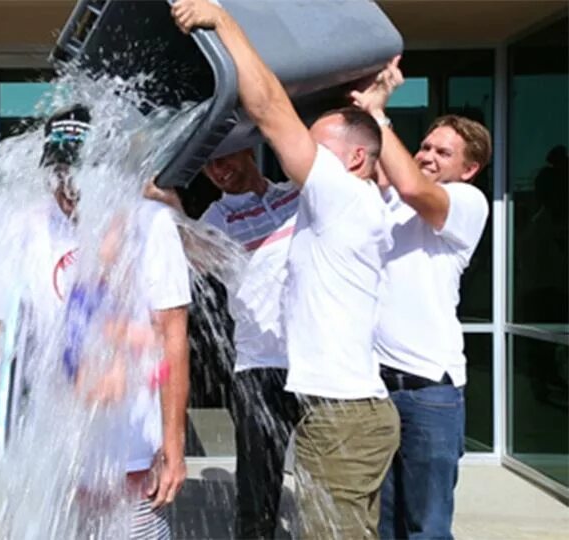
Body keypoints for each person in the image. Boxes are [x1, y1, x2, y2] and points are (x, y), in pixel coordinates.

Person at [172, 2, 400, 538]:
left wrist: (221, 20)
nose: (304, 158)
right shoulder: (343, 205)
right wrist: (379, 103)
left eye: (319, 151)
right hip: (332, 402)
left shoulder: (337, 199)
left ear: (352, 163)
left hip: (341, 414)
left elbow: (273, 109)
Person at [0, 104, 192, 539]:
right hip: (52, 445)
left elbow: (172, 335)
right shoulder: (22, 229)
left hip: (130, 445)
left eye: (80, 170)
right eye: (59, 171)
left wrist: (174, 442)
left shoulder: (150, 224)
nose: (68, 184)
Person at [351, 58, 492, 539]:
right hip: (378, 390)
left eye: (443, 153)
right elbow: (382, 173)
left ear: (468, 169)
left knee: (427, 528)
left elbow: (409, 184)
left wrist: (380, 113)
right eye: (426, 146)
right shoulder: (390, 201)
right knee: (384, 525)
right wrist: (373, 91)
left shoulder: (467, 205)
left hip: (431, 393)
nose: (428, 155)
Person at [147, 146, 300, 538]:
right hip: (258, 364)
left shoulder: (294, 195)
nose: (218, 170)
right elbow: (203, 257)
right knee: (258, 484)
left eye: (226, 158)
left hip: (316, 359)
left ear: (249, 150)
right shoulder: (218, 216)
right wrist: (172, 211)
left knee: (328, 474)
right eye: (210, 165)